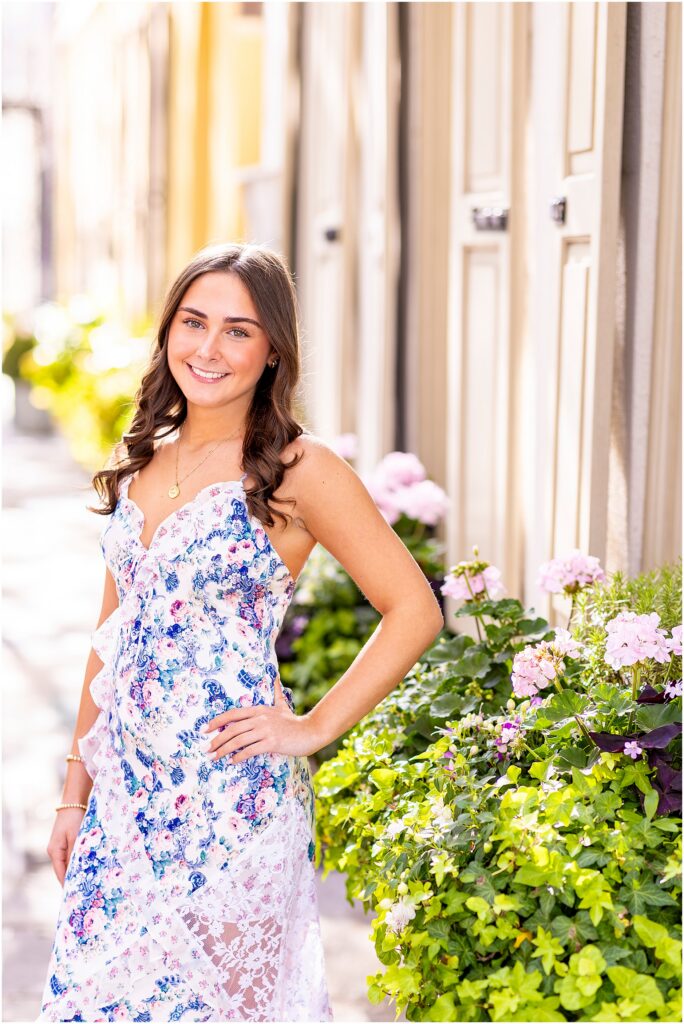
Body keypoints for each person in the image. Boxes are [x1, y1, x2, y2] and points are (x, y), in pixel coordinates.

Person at [38, 241, 444, 1022]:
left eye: (237, 330)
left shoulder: (296, 469)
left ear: (270, 352)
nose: (209, 348)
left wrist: (313, 726)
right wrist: (72, 793)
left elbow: (414, 609)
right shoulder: (143, 462)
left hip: (229, 796)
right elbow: (108, 638)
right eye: (193, 323)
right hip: (124, 797)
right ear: (167, 336)